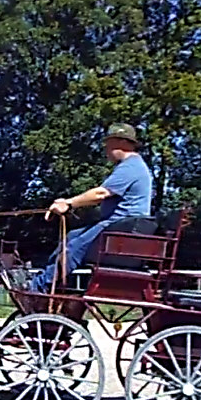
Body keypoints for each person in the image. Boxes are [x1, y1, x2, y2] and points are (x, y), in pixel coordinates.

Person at [28, 123, 154, 293]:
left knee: (74, 247)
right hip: (119, 226)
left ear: (122, 142)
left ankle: (39, 288)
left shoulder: (131, 167)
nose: (106, 148)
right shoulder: (132, 166)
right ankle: (51, 284)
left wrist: (68, 203)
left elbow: (100, 194)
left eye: (109, 143)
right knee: (71, 237)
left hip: (119, 227)